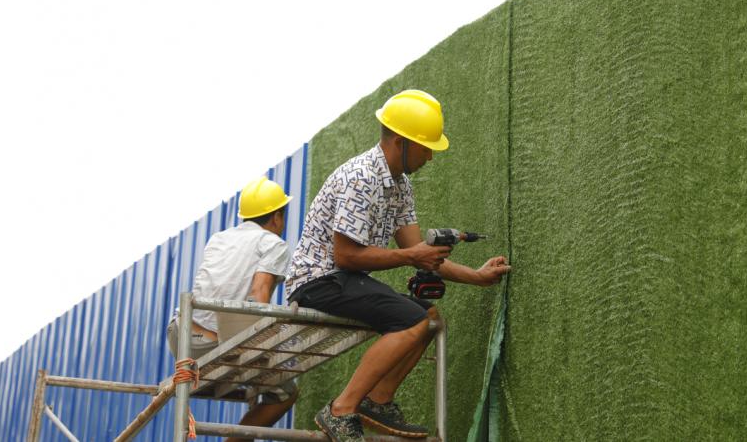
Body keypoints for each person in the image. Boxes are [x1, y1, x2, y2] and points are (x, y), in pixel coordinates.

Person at [286, 89, 511, 442]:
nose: (431, 158)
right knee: (413, 320)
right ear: (400, 141)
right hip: (318, 279)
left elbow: (418, 251)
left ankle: (378, 400)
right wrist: (411, 256)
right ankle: (341, 410)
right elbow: (345, 256)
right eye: (426, 148)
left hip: (346, 277)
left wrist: (478, 277)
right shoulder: (361, 177)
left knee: (430, 318)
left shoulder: (400, 185)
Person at [166, 176, 297, 442]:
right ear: (277, 218)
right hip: (214, 346)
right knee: (286, 392)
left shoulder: (218, 238)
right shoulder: (273, 243)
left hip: (180, 336)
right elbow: (259, 292)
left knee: (253, 364)